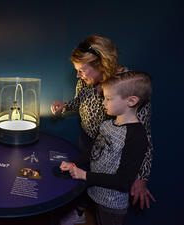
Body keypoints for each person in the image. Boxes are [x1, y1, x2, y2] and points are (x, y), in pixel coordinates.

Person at [51, 35, 155, 224]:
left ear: (101, 65)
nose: (78, 75)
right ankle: (81, 213)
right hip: (90, 141)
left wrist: (141, 177)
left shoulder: (129, 85)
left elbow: (143, 136)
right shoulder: (84, 80)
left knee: (105, 194)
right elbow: (80, 100)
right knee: (88, 186)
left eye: (81, 70)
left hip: (114, 149)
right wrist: (65, 105)